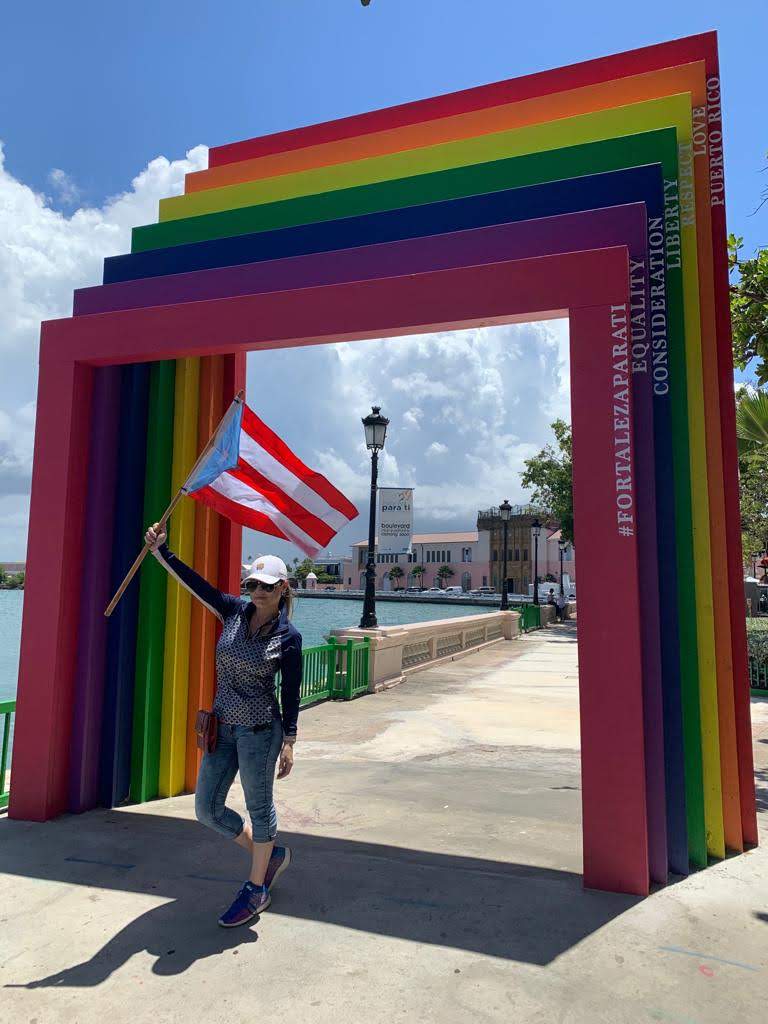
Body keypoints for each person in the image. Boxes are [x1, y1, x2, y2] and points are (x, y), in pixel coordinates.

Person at [145, 522, 302, 928]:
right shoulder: (233, 611)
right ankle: (268, 855)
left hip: (260, 734)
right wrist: (163, 552)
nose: (258, 592)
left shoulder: (289, 637)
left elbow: (291, 693)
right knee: (207, 809)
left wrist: (289, 741)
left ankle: (256, 889)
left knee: (259, 806)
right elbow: (198, 586)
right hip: (223, 730)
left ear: (282, 588)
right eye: (253, 584)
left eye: (267, 586)